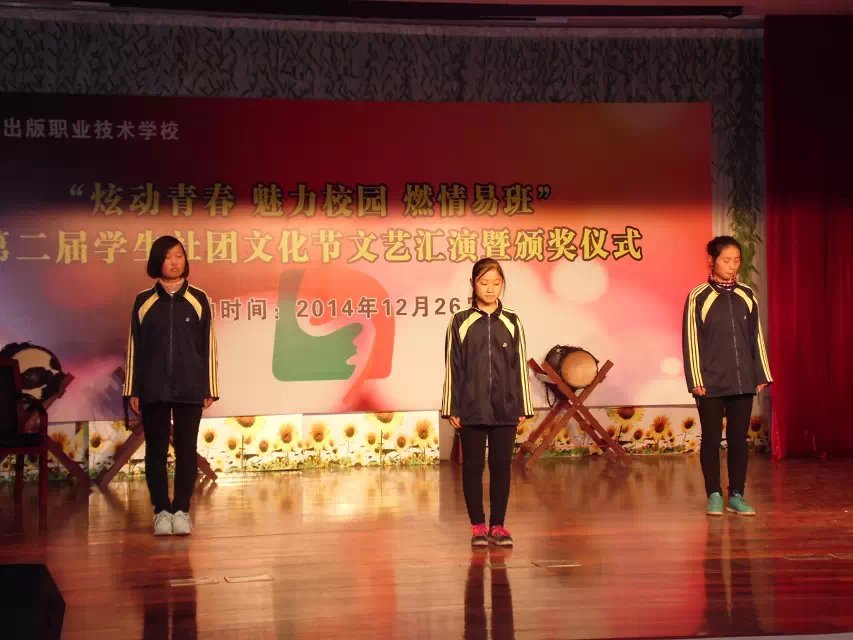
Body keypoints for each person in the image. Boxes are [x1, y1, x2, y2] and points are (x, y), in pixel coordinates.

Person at [123, 235, 219, 535]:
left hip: (190, 386)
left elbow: (209, 344)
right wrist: (133, 388)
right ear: (157, 262)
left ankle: (182, 510)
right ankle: (161, 511)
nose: (174, 262)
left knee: (187, 450)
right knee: (155, 450)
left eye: (179, 255)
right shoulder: (143, 301)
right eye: (167, 257)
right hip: (153, 386)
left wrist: (210, 387)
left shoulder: (199, 298)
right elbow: (134, 347)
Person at [442, 258, 534, 546]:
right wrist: (451, 406)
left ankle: (498, 526)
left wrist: (523, 405)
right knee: (472, 468)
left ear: (502, 284)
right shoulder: (460, 321)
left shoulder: (513, 320)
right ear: (472, 284)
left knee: (501, 467)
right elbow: (452, 366)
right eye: (484, 283)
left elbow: (519, 365)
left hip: (505, 407)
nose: (491, 289)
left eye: (496, 283)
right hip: (471, 407)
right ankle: (478, 527)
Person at [682, 236, 772, 516]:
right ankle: (713, 494)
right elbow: (691, 340)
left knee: (738, 440)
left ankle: (736, 494)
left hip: (743, 380)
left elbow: (756, 337)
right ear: (712, 261)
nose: (732, 266)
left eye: (736, 261)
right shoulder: (698, 296)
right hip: (709, 382)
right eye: (726, 260)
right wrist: (695, 378)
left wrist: (761, 372)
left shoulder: (747, 294)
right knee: (711, 439)